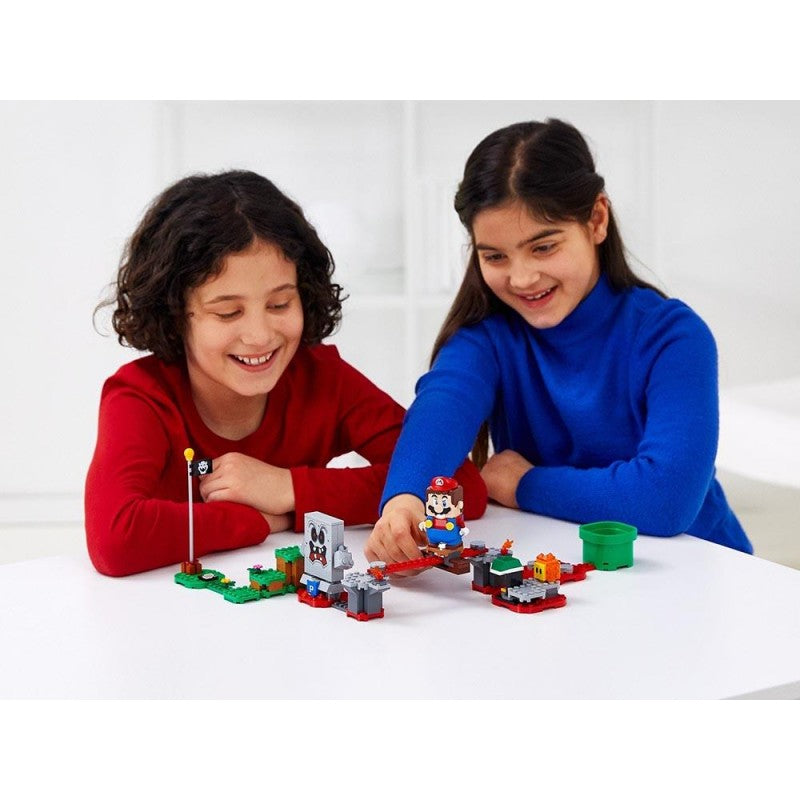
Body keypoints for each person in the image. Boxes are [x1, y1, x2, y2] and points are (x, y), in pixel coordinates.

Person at [366, 118, 751, 565]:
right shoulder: (487, 339)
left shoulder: (674, 336)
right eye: (495, 256)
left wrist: (524, 484)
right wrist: (404, 501)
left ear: (597, 219)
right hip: (577, 571)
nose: (522, 278)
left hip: (702, 568)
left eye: (543, 247)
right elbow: (441, 409)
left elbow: (666, 498)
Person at [85, 170, 486, 577]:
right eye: (228, 312)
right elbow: (116, 540)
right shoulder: (141, 396)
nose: (260, 335)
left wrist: (288, 489)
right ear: (174, 315)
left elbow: (460, 485)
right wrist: (263, 520)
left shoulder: (322, 378)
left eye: (279, 305)